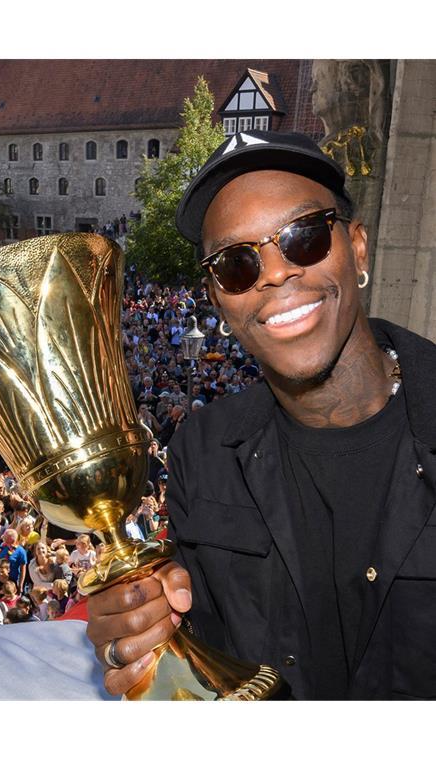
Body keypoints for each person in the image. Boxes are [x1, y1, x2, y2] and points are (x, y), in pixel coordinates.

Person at [87, 130, 436, 700]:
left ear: (359, 246)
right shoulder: (202, 452)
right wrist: (151, 629)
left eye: (303, 237)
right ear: (218, 298)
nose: (274, 274)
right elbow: (211, 643)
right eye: (236, 263)